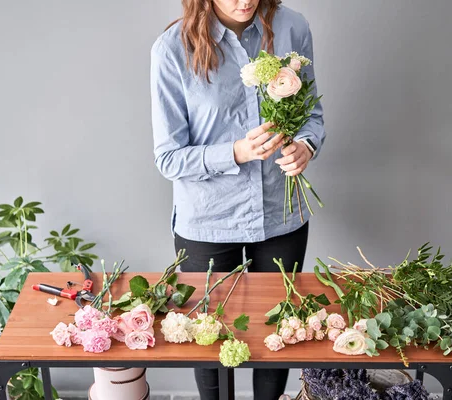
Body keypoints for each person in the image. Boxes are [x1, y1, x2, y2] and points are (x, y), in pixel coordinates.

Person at [150, 1, 325, 398]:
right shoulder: (172, 49)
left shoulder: (292, 27)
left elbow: (312, 113)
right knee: (208, 341)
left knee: (277, 336)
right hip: (207, 220)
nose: (244, 1)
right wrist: (236, 152)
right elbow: (168, 157)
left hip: (280, 215)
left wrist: (306, 146)